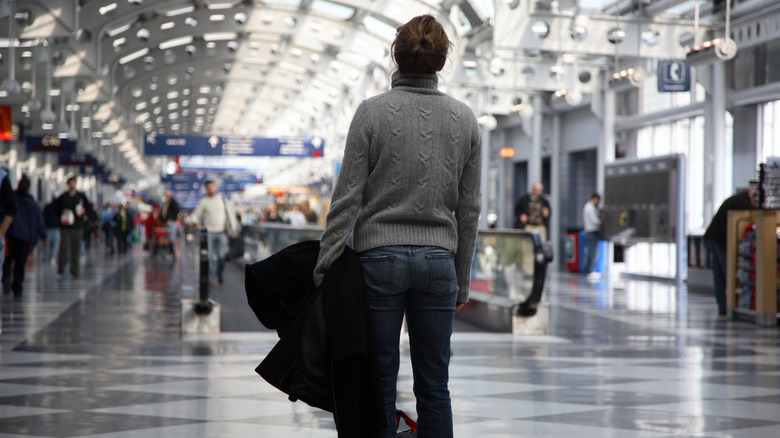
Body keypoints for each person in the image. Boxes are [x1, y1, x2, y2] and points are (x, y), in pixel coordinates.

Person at [313, 15, 481, 438]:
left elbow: (346, 199)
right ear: (442, 61)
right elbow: (470, 209)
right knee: (434, 386)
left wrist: (324, 268)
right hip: (439, 263)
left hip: (378, 262)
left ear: (396, 56)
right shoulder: (465, 120)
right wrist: (461, 280)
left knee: (380, 382)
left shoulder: (371, 113)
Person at [703, 187, 758, 315]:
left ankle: (723, 305)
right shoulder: (742, 204)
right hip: (719, 240)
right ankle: (729, 305)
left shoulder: (737, 200)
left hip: (713, 237)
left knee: (719, 274)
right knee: (727, 271)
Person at [2, 175, 46, 297]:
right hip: (25, 238)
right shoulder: (33, 204)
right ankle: (17, 285)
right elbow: (39, 222)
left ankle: (6, 277)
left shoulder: (11, 198)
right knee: (20, 263)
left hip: (10, 234)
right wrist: (43, 237)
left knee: (7, 259)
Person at [191, 179, 238, 285]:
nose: (211, 189)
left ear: (215, 187)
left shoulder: (222, 199)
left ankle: (219, 273)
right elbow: (197, 214)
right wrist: (194, 222)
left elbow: (230, 215)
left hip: (222, 232)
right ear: (206, 189)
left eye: (212, 186)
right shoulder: (204, 201)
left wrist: (233, 229)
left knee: (221, 256)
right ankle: (211, 279)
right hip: (209, 233)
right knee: (210, 257)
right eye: (209, 187)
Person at [54, 176, 96, 279]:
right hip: (66, 226)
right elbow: (55, 208)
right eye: (70, 183)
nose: (72, 185)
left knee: (76, 249)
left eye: (74, 183)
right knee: (64, 247)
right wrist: (62, 212)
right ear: (68, 184)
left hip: (78, 226)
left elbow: (88, 208)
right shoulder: (63, 196)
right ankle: (61, 265)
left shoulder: (81, 196)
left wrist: (84, 212)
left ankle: (75, 269)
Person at [582, 193, 604, 281]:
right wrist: (601, 221)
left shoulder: (588, 207)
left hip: (590, 231)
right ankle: (590, 271)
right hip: (592, 232)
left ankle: (588, 271)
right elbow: (594, 221)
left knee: (591, 252)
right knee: (592, 253)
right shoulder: (589, 208)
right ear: (595, 199)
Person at [43, 195, 60, 262]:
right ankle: (53, 257)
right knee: (56, 244)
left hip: (48, 227)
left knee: (47, 243)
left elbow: (43, 216)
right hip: (56, 227)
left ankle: (46, 256)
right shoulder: (59, 207)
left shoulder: (48, 206)